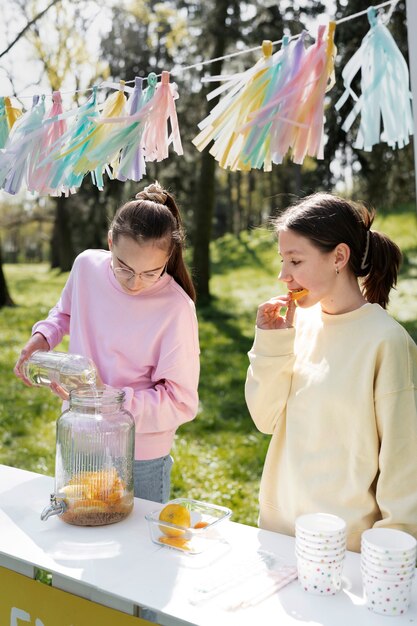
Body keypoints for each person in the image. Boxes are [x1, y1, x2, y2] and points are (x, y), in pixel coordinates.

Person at [245, 192, 417, 552]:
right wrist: (270, 345)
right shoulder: (298, 325)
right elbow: (264, 419)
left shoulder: (387, 342)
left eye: (295, 260)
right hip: (279, 534)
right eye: (282, 260)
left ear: (339, 256)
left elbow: (403, 461)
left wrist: (391, 551)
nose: (283, 276)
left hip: (346, 549)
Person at [14, 182, 200, 504]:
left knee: (136, 550)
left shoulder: (177, 308)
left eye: (151, 273)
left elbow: (181, 402)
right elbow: (65, 312)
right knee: (78, 533)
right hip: (82, 436)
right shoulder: (86, 266)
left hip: (140, 453)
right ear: (110, 242)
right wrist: (43, 336)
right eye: (124, 268)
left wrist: (110, 398)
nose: (135, 283)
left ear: (168, 257)